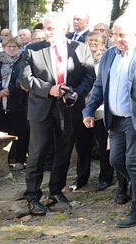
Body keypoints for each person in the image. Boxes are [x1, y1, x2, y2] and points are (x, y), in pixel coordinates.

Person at [82, 17, 136, 227]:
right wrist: (89, 110)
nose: (118, 39)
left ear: (135, 34)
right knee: (116, 161)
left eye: (123, 35)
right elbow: (99, 86)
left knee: (134, 163)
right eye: (115, 35)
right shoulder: (110, 55)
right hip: (115, 120)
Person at [20, 12, 96, 216]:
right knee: (38, 152)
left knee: (64, 151)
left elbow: (90, 76)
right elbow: (26, 79)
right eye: (45, 27)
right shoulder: (32, 49)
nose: (47, 32)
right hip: (41, 107)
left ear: (65, 29)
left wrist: (75, 93)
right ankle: (32, 196)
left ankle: (56, 191)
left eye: (51, 28)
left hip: (69, 107)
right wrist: (49, 89)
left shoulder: (80, 48)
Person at [72, 31, 115, 192]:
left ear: (103, 44)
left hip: (101, 108)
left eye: (97, 41)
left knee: (104, 145)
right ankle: (81, 178)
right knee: (82, 146)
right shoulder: (78, 59)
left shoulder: (107, 60)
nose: (93, 44)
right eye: (90, 40)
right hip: (82, 108)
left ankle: (106, 177)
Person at [0, 36, 29, 170]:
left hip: (17, 102)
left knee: (21, 132)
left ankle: (20, 160)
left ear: (19, 48)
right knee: (2, 132)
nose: (12, 49)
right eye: (9, 46)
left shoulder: (24, 62)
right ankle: (4, 162)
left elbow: (25, 78)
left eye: (15, 47)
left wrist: (11, 90)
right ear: (3, 48)